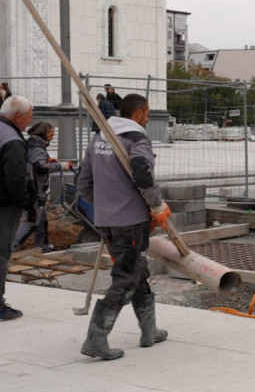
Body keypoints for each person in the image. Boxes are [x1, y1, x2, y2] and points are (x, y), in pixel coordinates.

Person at [77, 93, 169, 360]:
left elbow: (83, 184)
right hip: (130, 222)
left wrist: (106, 204)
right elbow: (142, 171)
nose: (149, 117)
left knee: (137, 270)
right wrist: (158, 206)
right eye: (148, 112)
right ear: (139, 114)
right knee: (126, 278)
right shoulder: (136, 139)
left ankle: (149, 330)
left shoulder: (99, 139)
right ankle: (96, 338)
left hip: (106, 221)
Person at [0, 96, 36, 321]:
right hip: (5, 206)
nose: (30, 122)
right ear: (18, 116)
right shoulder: (12, 139)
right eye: (29, 116)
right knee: (1, 254)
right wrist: (24, 201)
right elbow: (16, 177)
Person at [14, 122, 72, 252]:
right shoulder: (37, 148)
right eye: (51, 135)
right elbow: (39, 168)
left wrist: (47, 161)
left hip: (35, 187)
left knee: (41, 220)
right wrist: (60, 165)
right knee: (32, 221)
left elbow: (36, 163)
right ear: (43, 134)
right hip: (36, 189)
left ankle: (42, 246)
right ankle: (11, 246)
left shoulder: (33, 145)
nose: (52, 138)